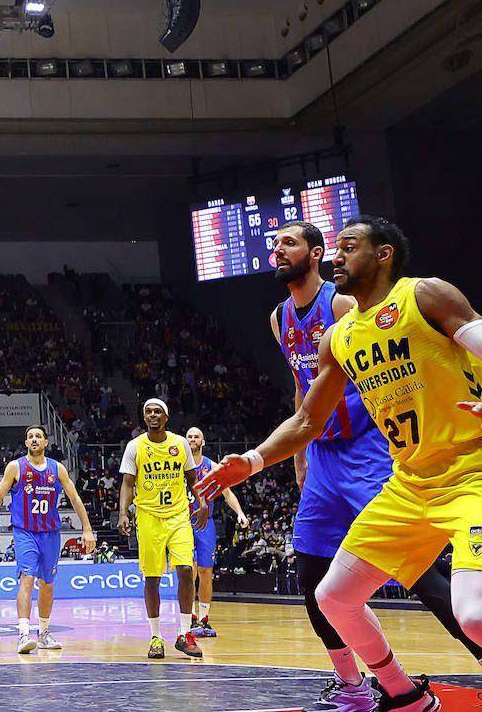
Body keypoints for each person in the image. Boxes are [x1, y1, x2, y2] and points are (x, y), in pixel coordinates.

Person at [203, 215, 482, 712]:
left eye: (346, 247)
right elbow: (307, 411)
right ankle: (392, 693)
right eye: (335, 247)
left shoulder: (412, 297)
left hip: (435, 465)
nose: (337, 255)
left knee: (455, 600)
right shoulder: (324, 332)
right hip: (380, 473)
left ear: (382, 255)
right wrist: (254, 460)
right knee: (326, 589)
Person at [0, 424, 94, 653]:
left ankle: (44, 633)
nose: (34, 439)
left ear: (45, 443)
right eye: (30, 436)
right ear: (26, 443)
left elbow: (75, 498)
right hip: (25, 532)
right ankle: (23, 634)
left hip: (50, 534)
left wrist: (87, 528)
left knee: (47, 585)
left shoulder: (57, 469)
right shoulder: (15, 467)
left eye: (38, 436)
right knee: (27, 579)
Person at [117, 398, 206, 660]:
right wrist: (124, 512)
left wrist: (201, 503)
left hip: (178, 516)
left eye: (158, 412)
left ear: (166, 417)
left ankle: (184, 634)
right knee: (152, 578)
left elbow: (193, 479)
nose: (153, 415)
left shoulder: (179, 444)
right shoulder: (135, 447)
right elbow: (127, 483)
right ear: (144, 418)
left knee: (187, 571)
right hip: (148, 517)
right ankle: (156, 637)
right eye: (148, 412)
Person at [183, 426, 248, 638]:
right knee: (188, 572)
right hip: (183, 523)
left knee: (205, 572)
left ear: (203, 442)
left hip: (205, 525)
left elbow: (227, 493)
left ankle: (204, 619)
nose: (193, 439)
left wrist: (240, 513)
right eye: (189, 436)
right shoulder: (177, 465)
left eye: (196, 437)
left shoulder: (210, 466)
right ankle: (190, 618)